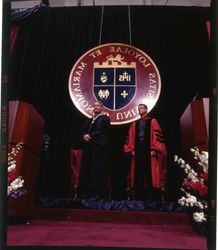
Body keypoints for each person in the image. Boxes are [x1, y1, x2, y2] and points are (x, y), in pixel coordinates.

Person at [124, 103, 167, 201]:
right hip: (138, 149)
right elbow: (130, 137)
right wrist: (132, 149)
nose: (140, 110)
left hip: (149, 149)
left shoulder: (153, 121)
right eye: (138, 108)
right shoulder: (135, 123)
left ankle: (152, 197)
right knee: (138, 172)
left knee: (150, 173)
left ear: (146, 110)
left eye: (142, 108)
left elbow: (157, 135)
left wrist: (154, 149)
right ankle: (139, 196)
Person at [78, 101, 111, 199]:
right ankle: (85, 191)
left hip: (98, 148)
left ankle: (97, 192)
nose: (95, 107)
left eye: (98, 106)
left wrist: (90, 136)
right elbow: (84, 130)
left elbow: (103, 131)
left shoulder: (105, 119)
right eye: (94, 105)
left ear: (102, 108)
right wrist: (84, 135)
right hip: (88, 148)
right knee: (87, 168)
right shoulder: (89, 120)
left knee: (96, 169)